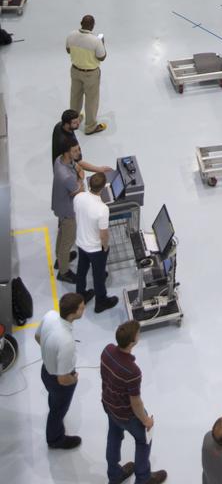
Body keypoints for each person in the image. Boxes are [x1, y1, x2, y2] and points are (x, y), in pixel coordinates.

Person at [101, 319, 168, 483]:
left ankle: (114, 475)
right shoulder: (133, 371)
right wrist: (146, 420)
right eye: (138, 334)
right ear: (133, 342)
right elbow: (135, 402)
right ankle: (143, 478)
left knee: (114, 435)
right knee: (143, 441)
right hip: (127, 415)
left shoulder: (107, 350)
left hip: (109, 406)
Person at [36, 292, 86, 451]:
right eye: (81, 308)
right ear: (73, 314)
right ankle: (55, 439)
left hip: (45, 371)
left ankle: (55, 415)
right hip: (59, 379)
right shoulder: (66, 342)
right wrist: (75, 379)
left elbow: (37, 336)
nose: (84, 308)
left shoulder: (50, 315)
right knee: (58, 411)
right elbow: (62, 380)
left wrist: (50, 351)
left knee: (54, 401)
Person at [74, 172, 118, 313]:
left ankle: (80, 295)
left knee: (81, 270)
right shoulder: (102, 209)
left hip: (81, 242)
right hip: (95, 248)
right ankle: (101, 302)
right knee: (98, 276)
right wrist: (105, 247)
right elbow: (103, 234)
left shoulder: (78, 197)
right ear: (104, 187)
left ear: (89, 184)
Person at [66, 14, 108, 135]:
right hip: (90, 74)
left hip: (75, 70)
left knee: (75, 96)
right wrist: (102, 44)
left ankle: (73, 122)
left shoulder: (71, 35)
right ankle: (90, 127)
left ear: (81, 23)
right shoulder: (95, 41)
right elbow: (102, 57)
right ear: (93, 26)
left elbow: (68, 50)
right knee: (91, 100)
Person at [52, 139, 84, 283]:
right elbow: (79, 191)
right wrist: (81, 178)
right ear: (67, 152)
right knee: (68, 240)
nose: (78, 153)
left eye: (78, 149)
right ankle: (63, 272)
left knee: (62, 232)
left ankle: (60, 260)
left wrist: (77, 170)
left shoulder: (59, 160)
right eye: (75, 151)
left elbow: (75, 167)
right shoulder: (67, 177)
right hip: (68, 211)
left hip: (59, 205)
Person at [52, 109, 109, 174]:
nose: (78, 123)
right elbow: (79, 162)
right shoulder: (68, 143)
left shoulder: (59, 125)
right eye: (75, 122)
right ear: (67, 124)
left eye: (78, 120)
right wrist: (99, 169)